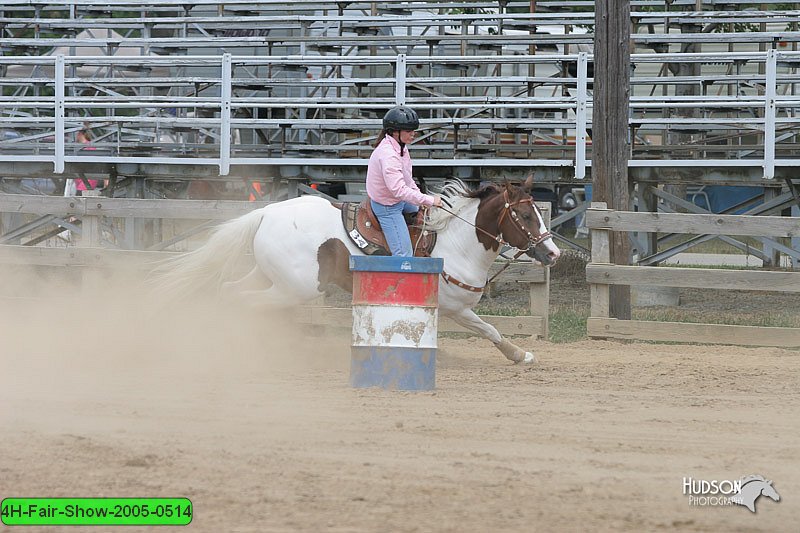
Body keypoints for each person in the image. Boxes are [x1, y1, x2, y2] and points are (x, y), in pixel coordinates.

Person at [366, 105, 442, 257]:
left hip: (397, 200)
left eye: (413, 130)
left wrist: (421, 198)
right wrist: (429, 199)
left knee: (427, 215)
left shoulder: (401, 148)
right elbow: (399, 190)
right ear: (394, 132)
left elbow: (407, 179)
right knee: (404, 254)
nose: (413, 134)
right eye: (408, 131)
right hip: (387, 207)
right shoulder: (388, 155)